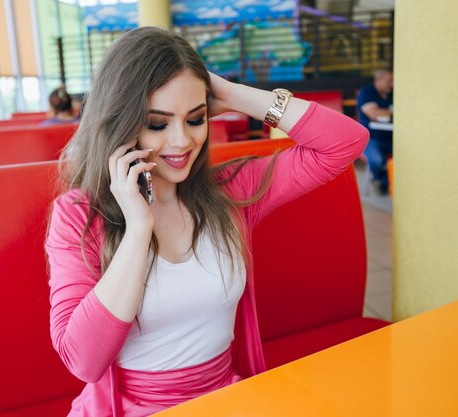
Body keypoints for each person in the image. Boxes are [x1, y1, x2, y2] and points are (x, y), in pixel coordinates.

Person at [45, 27, 369, 417]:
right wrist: (137, 229)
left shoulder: (230, 192)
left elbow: (345, 142)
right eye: (158, 124)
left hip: (225, 400)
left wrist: (231, 93)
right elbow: (83, 360)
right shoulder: (78, 214)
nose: (182, 142)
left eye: (195, 119)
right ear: (121, 123)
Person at [356, 69, 393, 194]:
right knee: (377, 160)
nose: (392, 84)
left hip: (392, 137)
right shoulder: (367, 92)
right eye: (389, 81)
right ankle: (380, 181)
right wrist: (392, 112)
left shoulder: (393, 93)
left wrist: (384, 111)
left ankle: (387, 181)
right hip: (370, 138)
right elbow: (374, 114)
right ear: (378, 80)